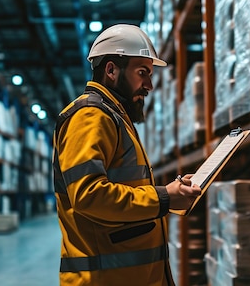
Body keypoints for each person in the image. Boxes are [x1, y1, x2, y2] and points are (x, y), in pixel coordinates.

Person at [52, 24, 202, 286]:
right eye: (142, 72)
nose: (149, 85)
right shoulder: (90, 116)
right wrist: (164, 197)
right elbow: (88, 195)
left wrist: (174, 192)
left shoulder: (114, 117)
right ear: (111, 70)